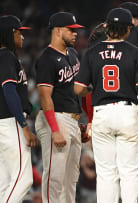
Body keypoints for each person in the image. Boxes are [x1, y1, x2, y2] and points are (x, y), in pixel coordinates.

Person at [73, 8, 138, 203]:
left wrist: (93, 88)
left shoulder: (91, 52)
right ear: (128, 29)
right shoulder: (135, 52)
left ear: (107, 27)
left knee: (106, 174)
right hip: (127, 112)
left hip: (102, 113)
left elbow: (78, 89)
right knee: (129, 173)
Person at [34, 12, 84, 203]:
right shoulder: (46, 59)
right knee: (55, 176)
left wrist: (82, 120)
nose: (75, 34)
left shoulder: (72, 53)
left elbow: (75, 90)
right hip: (55, 118)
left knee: (71, 179)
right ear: (58, 31)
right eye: (71, 30)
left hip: (72, 118)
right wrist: (54, 130)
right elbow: (45, 97)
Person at [0, 15, 37, 203]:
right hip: (10, 121)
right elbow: (9, 91)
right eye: (19, 32)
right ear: (10, 33)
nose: (22, 37)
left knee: (5, 182)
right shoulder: (6, 56)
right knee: (23, 180)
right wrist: (24, 125)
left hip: (3, 124)